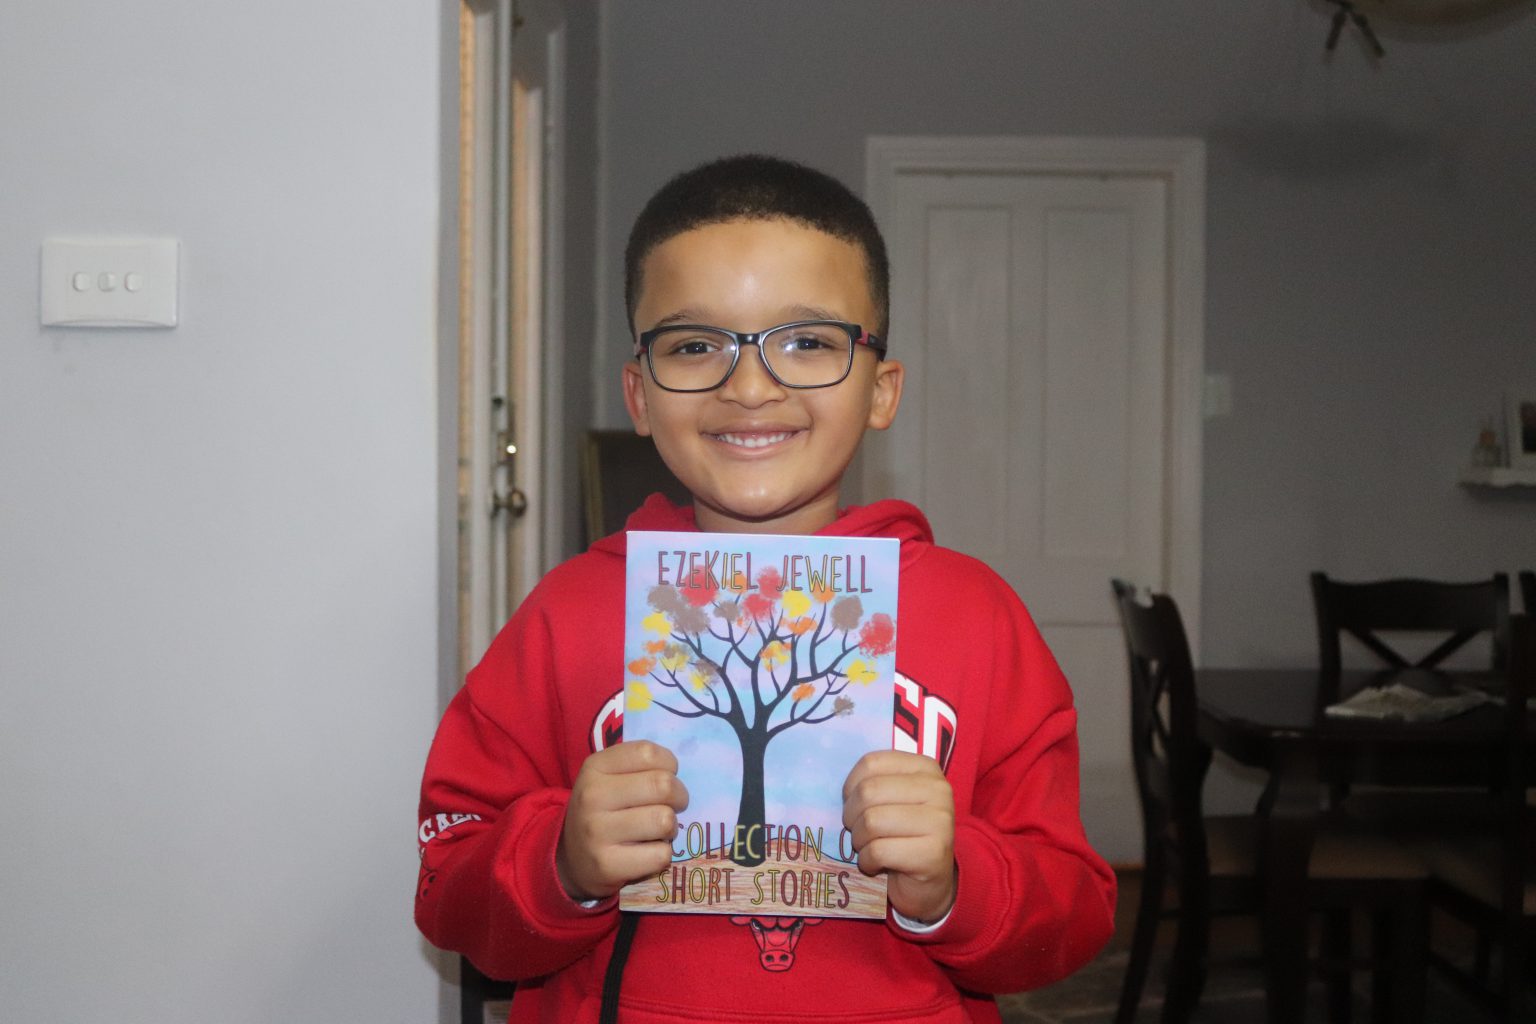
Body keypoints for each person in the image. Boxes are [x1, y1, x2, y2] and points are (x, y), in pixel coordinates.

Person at [416, 154, 1115, 1023]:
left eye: (809, 342)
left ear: (881, 390)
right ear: (639, 392)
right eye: (695, 344)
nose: (749, 386)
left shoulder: (979, 619)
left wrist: (954, 880)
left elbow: (1075, 917)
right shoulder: (565, 614)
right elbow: (449, 888)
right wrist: (558, 863)